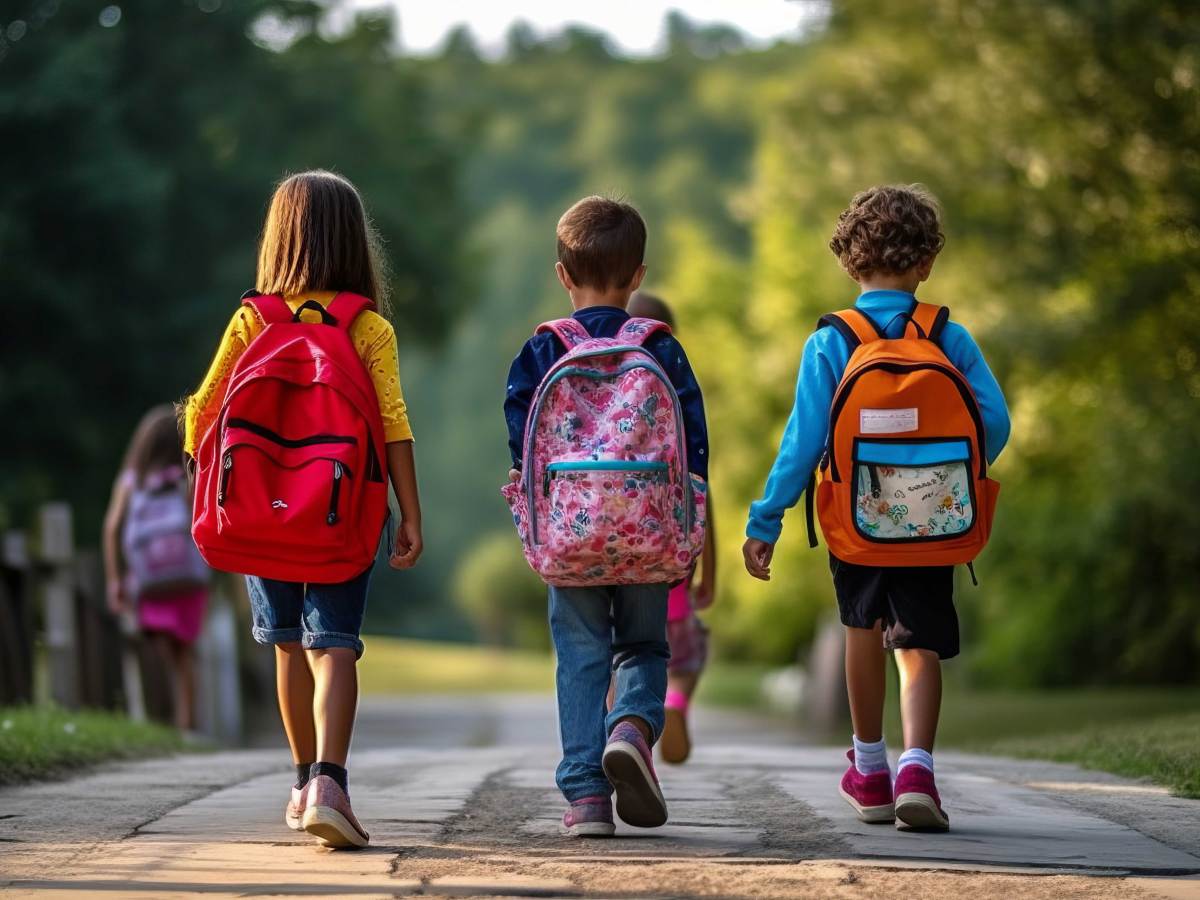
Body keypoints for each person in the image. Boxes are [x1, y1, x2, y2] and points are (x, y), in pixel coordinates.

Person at [742, 185, 1010, 831]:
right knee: (916, 645)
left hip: (856, 522)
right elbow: (995, 424)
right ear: (926, 263)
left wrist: (766, 519)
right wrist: (946, 475)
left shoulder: (833, 341)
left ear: (849, 262)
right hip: (933, 519)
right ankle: (919, 767)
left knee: (860, 631)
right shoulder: (948, 334)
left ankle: (870, 771)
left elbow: (803, 441)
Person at [183, 170, 423, 849]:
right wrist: (410, 514)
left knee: (286, 644)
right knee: (335, 648)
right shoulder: (368, 328)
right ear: (355, 243)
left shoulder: (251, 319)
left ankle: (298, 784)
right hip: (341, 514)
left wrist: (206, 474)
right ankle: (331, 782)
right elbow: (394, 425)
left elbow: (203, 413)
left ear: (277, 239)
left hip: (259, 513)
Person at [504, 196, 709, 836]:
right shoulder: (662, 349)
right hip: (648, 536)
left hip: (569, 541)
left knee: (581, 656)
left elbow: (521, 443)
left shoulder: (541, 352)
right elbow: (694, 446)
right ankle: (632, 727)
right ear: (639, 273)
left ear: (562, 274)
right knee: (646, 646)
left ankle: (587, 798)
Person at [625, 291, 716, 765]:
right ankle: (676, 705)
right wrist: (710, 574)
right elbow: (702, 495)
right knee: (683, 660)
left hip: (612, 563)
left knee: (620, 660)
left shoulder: (601, 388)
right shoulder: (677, 397)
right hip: (673, 574)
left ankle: (622, 731)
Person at [103, 404, 210, 731]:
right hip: (188, 580)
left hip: (150, 580)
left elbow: (112, 528)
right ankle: (186, 724)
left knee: (158, 648)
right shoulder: (187, 475)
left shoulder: (132, 481)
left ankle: (158, 720)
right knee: (185, 655)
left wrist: (115, 580)